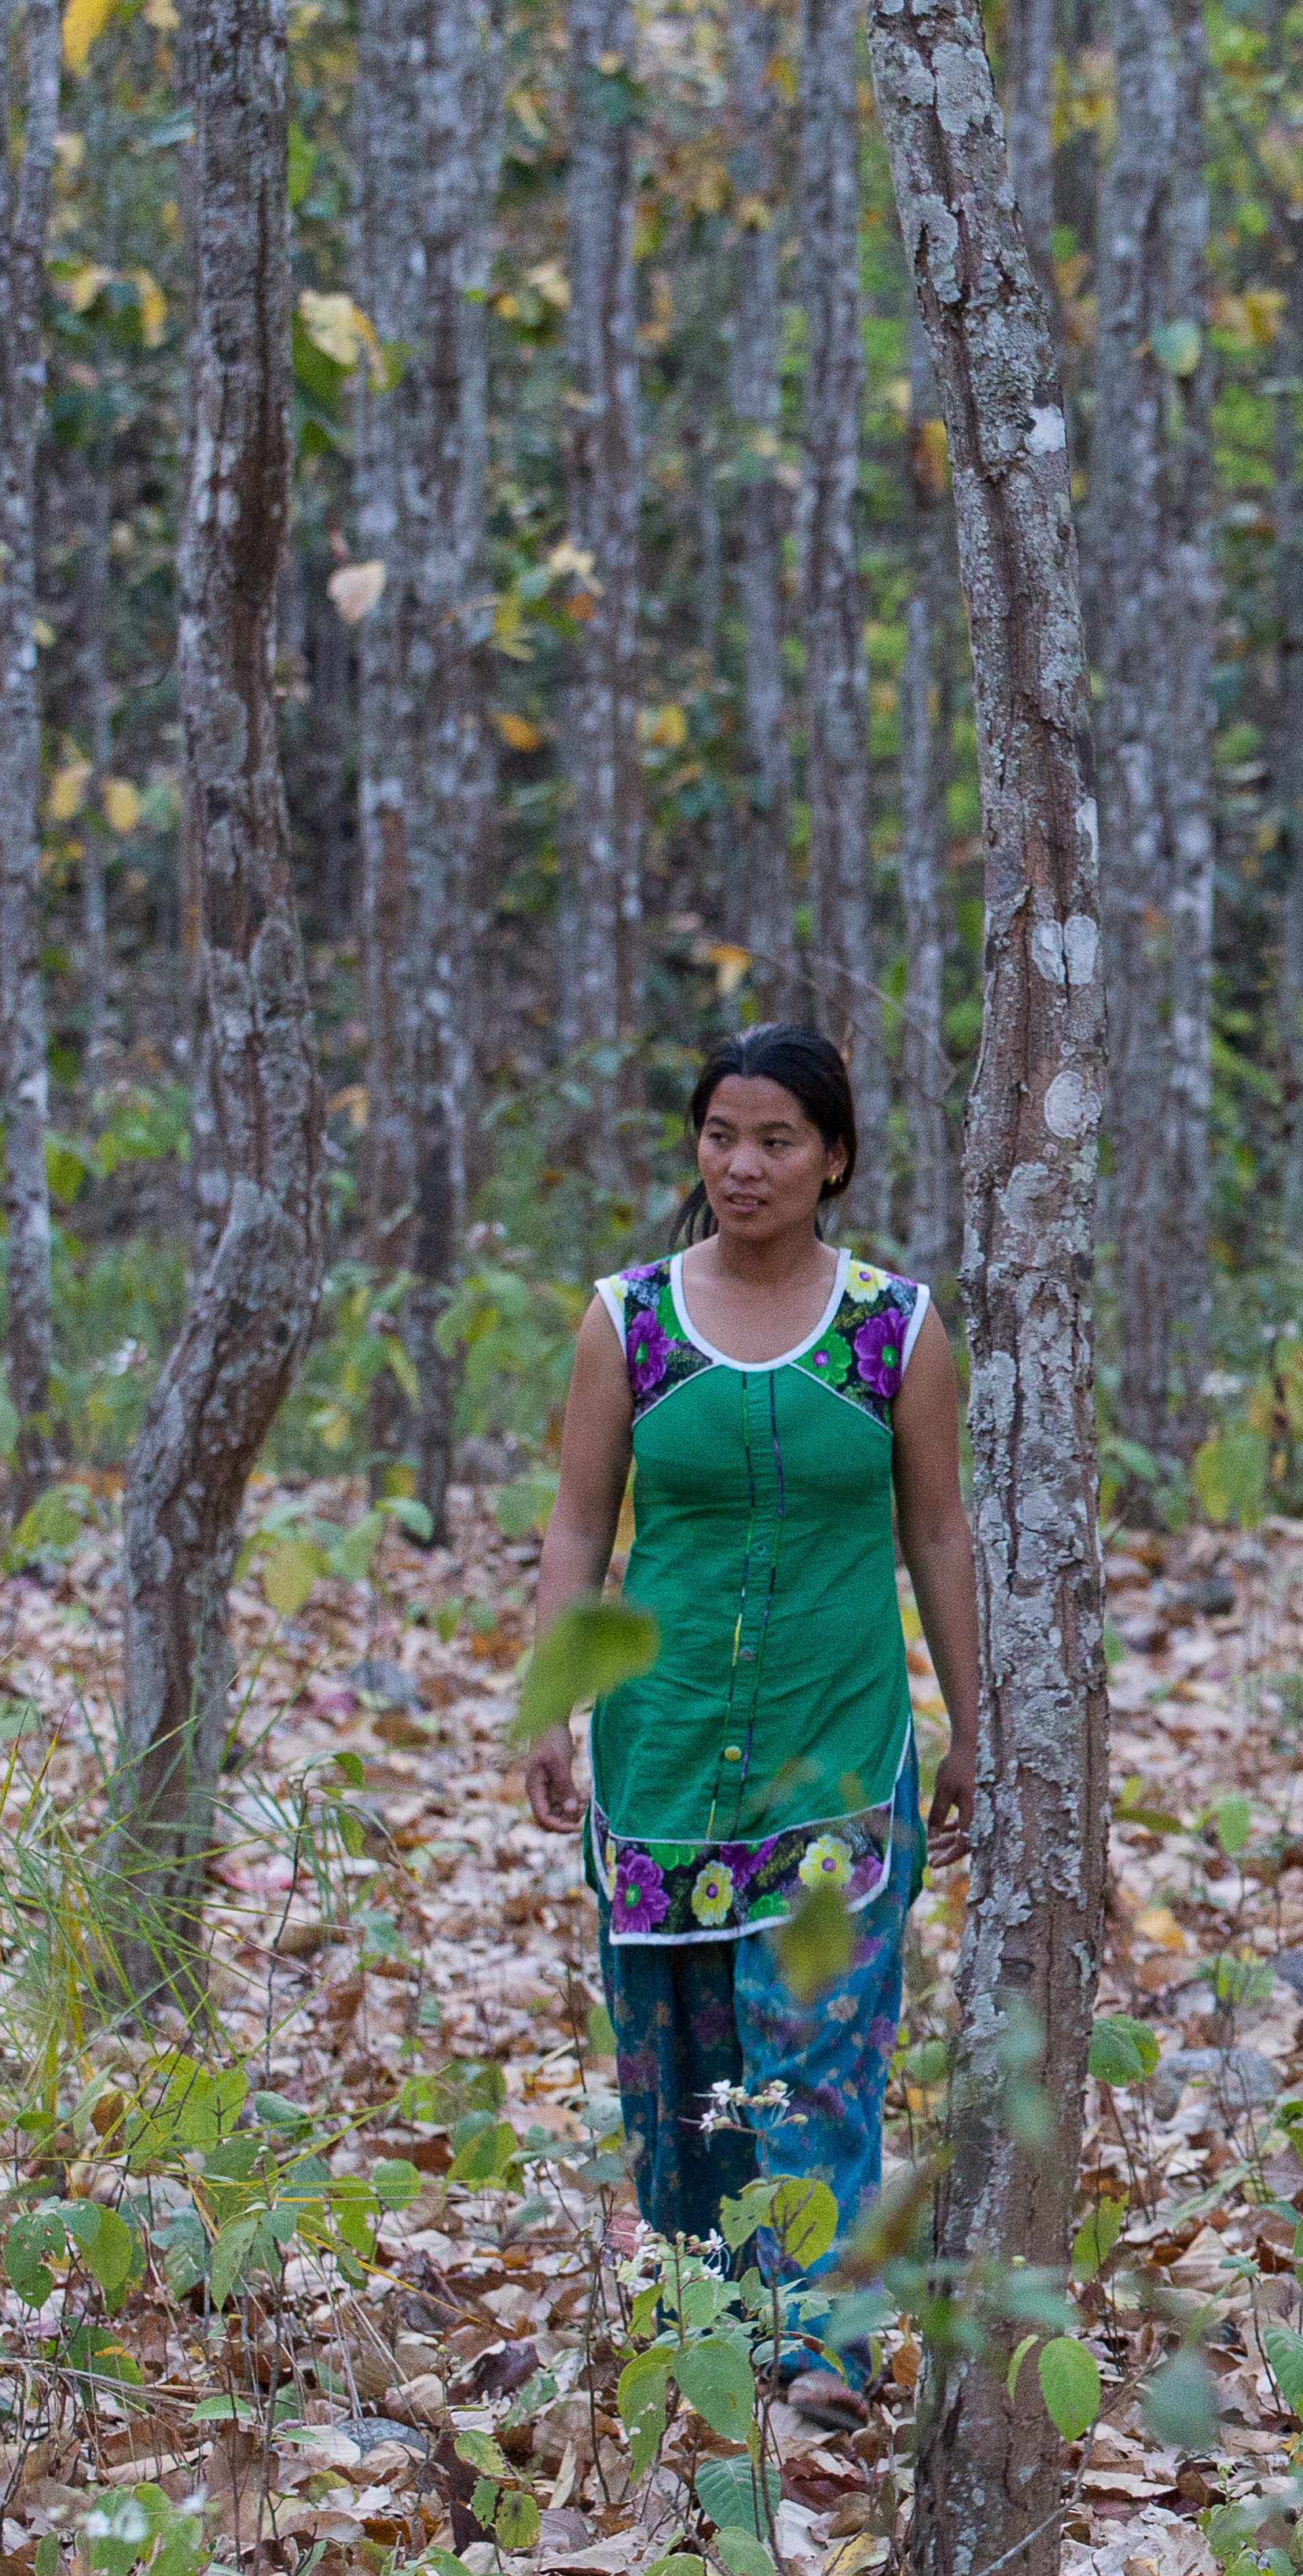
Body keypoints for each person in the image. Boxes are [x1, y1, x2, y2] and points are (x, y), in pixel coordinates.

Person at [519, 1024, 979, 2430]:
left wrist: (979, 1723)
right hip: (661, 1763)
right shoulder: (632, 1320)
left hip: (840, 1754)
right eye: (722, 1135)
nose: (743, 1165)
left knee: (824, 2057)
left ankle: (822, 2363)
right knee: (680, 2085)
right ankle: (705, 2342)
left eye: (777, 1139)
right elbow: (580, 1521)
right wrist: (548, 1704)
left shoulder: (895, 1326)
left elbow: (940, 1530)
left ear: (833, 1157)